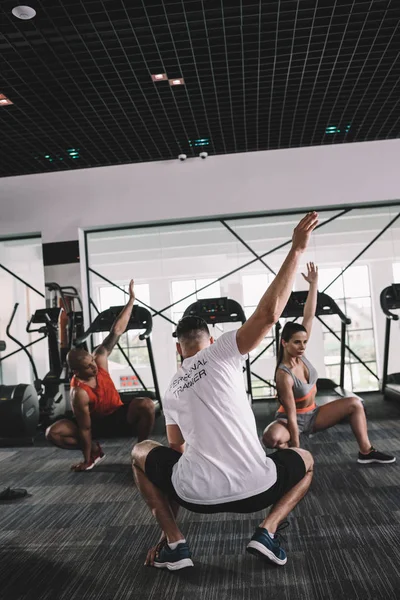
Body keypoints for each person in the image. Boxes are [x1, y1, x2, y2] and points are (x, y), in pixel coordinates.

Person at [131, 212, 319, 571]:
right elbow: (267, 316)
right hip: (259, 489)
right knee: (306, 461)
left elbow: (176, 449)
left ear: (177, 350)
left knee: (140, 452)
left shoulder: (171, 389)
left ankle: (174, 542)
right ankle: (267, 529)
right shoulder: (223, 351)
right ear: (212, 340)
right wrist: (295, 250)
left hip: (196, 496)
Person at [263, 263, 395, 465]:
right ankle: (289, 457)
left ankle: (366, 451)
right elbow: (290, 412)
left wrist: (313, 285)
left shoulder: (301, 356)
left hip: (314, 415)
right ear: (284, 342)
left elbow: (309, 314)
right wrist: (298, 448)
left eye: (304, 342)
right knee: (271, 438)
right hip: (290, 421)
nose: (302, 346)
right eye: (297, 342)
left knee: (355, 404)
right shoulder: (284, 374)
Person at [46, 280, 156, 472]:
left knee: (146, 404)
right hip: (94, 424)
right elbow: (85, 428)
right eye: (88, 367)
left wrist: (131, 300)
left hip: (117, 414)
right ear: (77, 372)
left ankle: (141, 453)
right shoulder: (79, 392)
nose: (94, 367)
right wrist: (87, 459)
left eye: (91, 361)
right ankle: (95, 452)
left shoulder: (99, 359)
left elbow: (117, 330)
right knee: (53, 433)